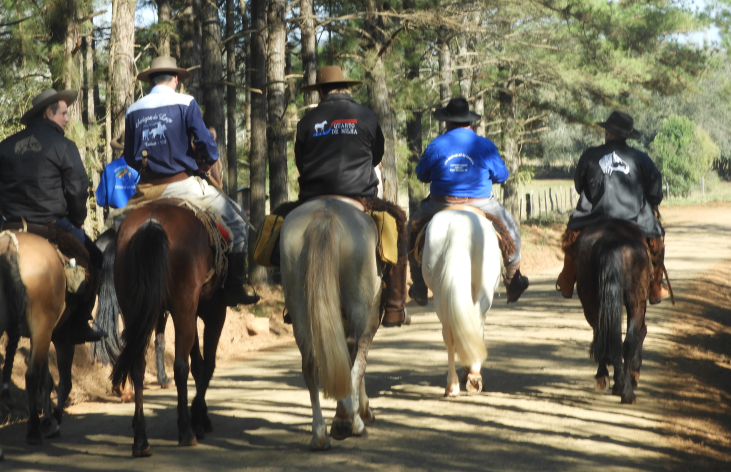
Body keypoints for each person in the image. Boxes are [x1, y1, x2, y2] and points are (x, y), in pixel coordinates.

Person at [274, 65, 410, 328]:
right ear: (346, 87)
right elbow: (377, 156)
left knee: (277, 226)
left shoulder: (307, 122)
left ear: (321, 92)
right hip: (359, 197)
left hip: (312, 197)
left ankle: (291, 299)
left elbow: (301, 163)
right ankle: (395, 306)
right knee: (399, 223)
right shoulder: (366, 115)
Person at [123, 55, 258, 306]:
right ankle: (235, 286)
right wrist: (207, 161)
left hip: (145, 191)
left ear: (151, 80)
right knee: (238, 222)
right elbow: (207, 144)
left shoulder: (134, 110)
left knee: (116, 232)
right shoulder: (185, 102)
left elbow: (130, 157)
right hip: (183, 187)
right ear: (175, 79)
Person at [0, 88, 104, 343]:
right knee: (95, 258)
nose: (67, 119)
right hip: (51, 226)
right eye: (63, 113)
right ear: (48, 113)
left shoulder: (6, 145)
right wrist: (77, 219)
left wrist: (12, 203)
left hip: (11, 225)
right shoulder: (64, 146)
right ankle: (82, 320)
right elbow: (78, 187)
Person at [408, 97, 529, 305]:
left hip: (440, 204)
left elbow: (421, 175)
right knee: (511, 232)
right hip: (481, 203)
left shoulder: (436, 145)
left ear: (447, 122)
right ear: (469, 122)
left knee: (410, 234)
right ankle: (512, 280)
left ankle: (418, 285)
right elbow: (502, 175)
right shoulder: (484, 145)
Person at [556, 111, 667, 304]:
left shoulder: (590, 155)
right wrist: (652, 202)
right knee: (657, 240)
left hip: (592, 216)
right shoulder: (641, 158)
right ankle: (656, 288)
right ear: (627, 136)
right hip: (635, 218)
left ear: (608, 133)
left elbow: (579, 186)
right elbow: (655, 190)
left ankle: (566, 281)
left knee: (572, 240)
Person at [96, 133, 139, 210]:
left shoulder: (109, 168)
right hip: (139, 215)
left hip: (118, 216)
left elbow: (100, 200)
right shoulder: (142, 167)